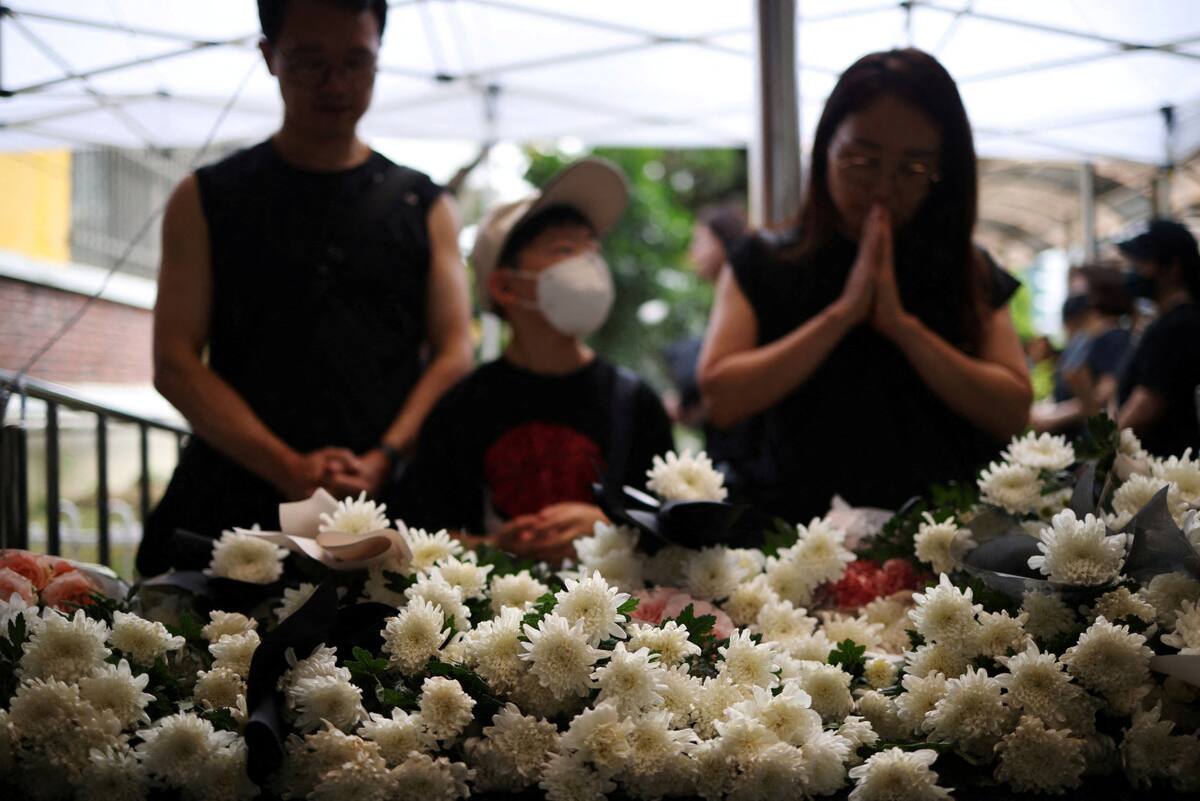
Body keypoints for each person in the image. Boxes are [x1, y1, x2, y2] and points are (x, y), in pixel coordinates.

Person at [137, 0, 473, 575]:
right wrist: (288, 466)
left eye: (356, 62)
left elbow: (455, 351)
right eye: (309, 63)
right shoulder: (206, 197)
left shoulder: (425, 204)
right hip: (232, 501)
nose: (336, 83)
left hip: (380, 500)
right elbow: (175, 361)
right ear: (269, 57)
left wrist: (384, 456)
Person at [698, 48, 1031, 524]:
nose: (883, 186)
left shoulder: (965, 268)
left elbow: (1012, 409)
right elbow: (721, 397)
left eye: (913, 169)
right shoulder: (764, 258)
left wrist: (902, 327)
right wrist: (843, 314)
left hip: (939, 548)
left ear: (943, 171)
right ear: (825, 147)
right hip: (792, 547)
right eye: (862, 160)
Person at [394, 159, 675, 564]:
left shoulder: (634, 402)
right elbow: (421, 535)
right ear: (506, 286)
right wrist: (499, 548)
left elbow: (673, 531)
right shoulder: (463, 407)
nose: (588, 263)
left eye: (591, 248)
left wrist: (610, 527)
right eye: (564, 249)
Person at [662, 204, 759, 492]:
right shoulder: (716, 308)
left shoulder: (748, 306)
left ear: (725, 242)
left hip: (746, 463)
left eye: (700, 240)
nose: (693, 252)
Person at [1115, 219, 1200, 456]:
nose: (1132, 270)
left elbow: (1146, 406)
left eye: (1141, 262)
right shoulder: (1166, 321)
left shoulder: (1179, 325)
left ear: (1172, 267)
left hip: (1167, 475)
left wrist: (1102, 457)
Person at [1032, 268, 1133, 435]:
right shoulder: (1084, 339)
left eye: (1081, 287)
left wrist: (1056, 415)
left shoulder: (1115, 337)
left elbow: (1104, 394)